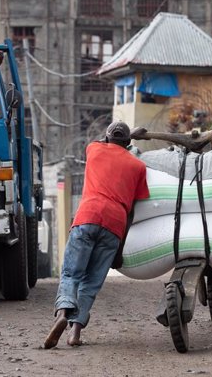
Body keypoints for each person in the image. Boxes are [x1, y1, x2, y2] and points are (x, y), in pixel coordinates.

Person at [43, 121, 149, 349]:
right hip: (115, 223)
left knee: (71, 273)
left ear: (108, 138)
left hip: (87, 216)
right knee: (90, 283)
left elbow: (106, 140)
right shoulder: (138, 167)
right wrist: (119, 250)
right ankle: (75, 333)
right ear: (129, 143)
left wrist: (131, 134)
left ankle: (62, 313)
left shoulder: (94, 149)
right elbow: (132, 212)